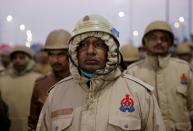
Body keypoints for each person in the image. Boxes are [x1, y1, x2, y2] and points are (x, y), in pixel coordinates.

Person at [36, 14, 165, 131]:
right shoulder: (57, 94)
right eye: (83, 45)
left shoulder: (139, 93)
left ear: (110, 50)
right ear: (74, 51)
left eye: (98, 44)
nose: (90, 51)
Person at [126, 20, 193, 131]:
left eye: (164, 39)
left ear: (170, 43)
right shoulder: (133, 72)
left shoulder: (183, 69)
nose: (159, 42)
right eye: (153, 38)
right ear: (145, 42)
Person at [28, 29, 71, 130]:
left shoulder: (82, 82)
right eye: (51, 54)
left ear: (70, 55)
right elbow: (33, 123)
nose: (55, 60)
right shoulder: (40, 84)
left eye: (60, 54)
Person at [0, 46, 41, 131]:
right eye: (15, 58)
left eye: (22, 57)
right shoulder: (2, 79)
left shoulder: (39, 80)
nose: (18, 60)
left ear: (30, 59)